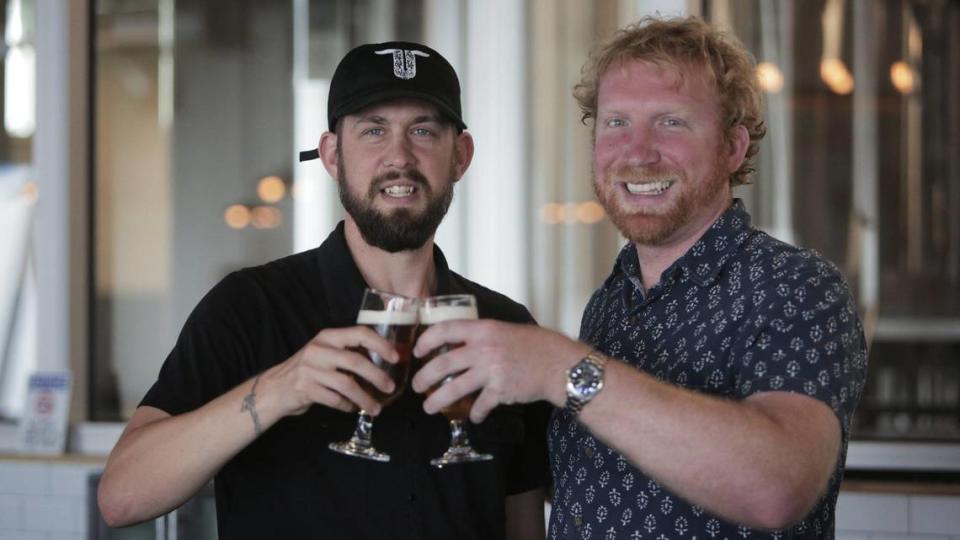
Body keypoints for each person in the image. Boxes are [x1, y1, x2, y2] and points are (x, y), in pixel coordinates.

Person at [412, 16, 868, 538]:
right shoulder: (609, 302)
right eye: (616, 123)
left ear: (733, 148)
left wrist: (561, 368)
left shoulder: (795, 286)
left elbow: (778, 489)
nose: (637, 152)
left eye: (671, 122)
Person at [98, 41, 550, 540]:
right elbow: (122, 497)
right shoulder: (249, 307)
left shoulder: (506, 329)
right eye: (373, 130)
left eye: (422, 130)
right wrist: (277, 390)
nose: (399, 156)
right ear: (333, 154)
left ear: (460, 155)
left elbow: (522, 523)